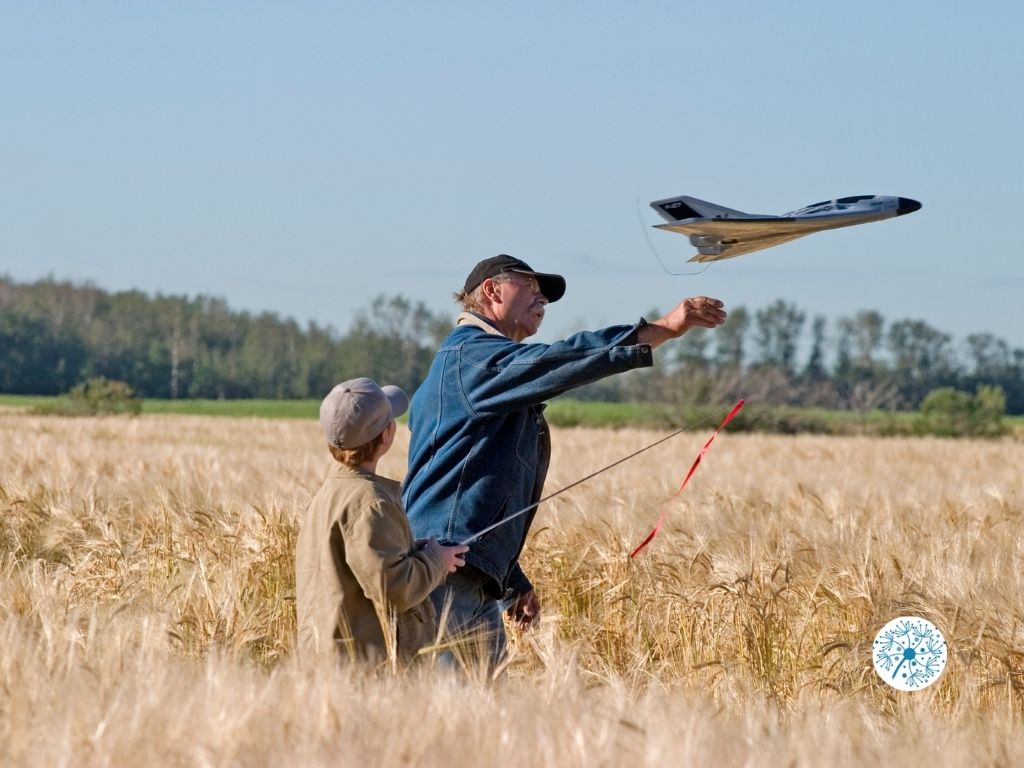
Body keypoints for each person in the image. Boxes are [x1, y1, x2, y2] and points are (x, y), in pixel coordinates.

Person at [402, 254, 727, 663]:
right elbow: (561, 360)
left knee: (479, 713)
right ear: (492, 291)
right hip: (446, 575)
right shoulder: (474, 358)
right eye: (531, 287)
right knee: (450, 711)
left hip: (466, 572)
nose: (543, 299)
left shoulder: (479, 364)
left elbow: (471, 487)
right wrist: (659, 330)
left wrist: (510, 577)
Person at [295, 377, 469, 665]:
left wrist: (412, 550)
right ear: (386, 435)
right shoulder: (371, 503)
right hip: (366, 670)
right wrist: (437, 560)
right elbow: (394, 589)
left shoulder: (328, 494)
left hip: (327, 662)